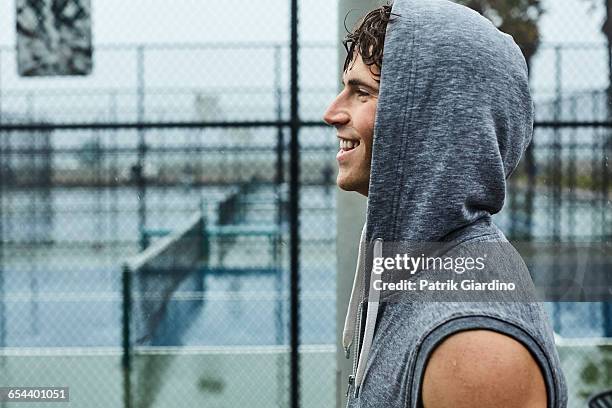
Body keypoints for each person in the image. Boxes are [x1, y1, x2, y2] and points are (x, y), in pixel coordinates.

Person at [323, 1, 568, 407]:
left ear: (430, 118)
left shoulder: (474, 344)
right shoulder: (421, 269)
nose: (332, 113)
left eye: (361, 92)